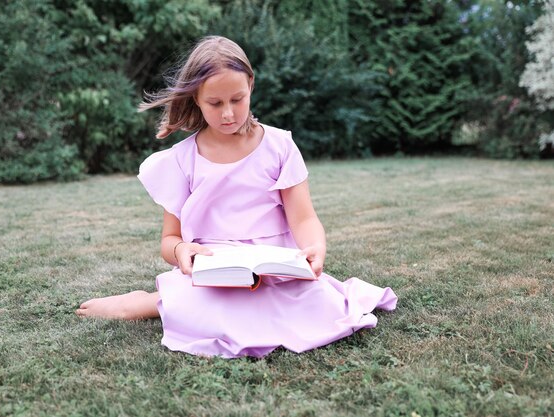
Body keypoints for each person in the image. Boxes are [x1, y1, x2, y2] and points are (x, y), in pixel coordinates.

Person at [76, 35, 397, 358]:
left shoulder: (279, 146)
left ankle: (171, 302)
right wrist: (181, 250)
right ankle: (147, 302)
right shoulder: (182, 159)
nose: (228, 113)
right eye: (215, 103)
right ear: (197, 99)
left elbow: (303, 217)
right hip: (217, 274)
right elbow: (169, 239)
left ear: (251, 86)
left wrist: (316, 246)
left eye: (237, 99)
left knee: (322, 305)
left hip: (276, 270)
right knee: (202, 305)